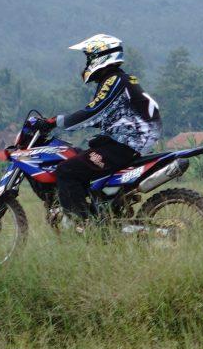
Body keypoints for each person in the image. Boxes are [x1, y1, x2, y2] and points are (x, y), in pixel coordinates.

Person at [48, 33, 161, 223]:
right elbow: (104, 117)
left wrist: (55, 122)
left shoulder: (113, 81)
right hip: (129, 142)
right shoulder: (119, 80)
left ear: (100, 57)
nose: (87, 64)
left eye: (89, 58)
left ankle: (85, 226)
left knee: (67, 171)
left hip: (126, 144)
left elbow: (92, 112)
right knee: (79, 157)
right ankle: (102, 211)